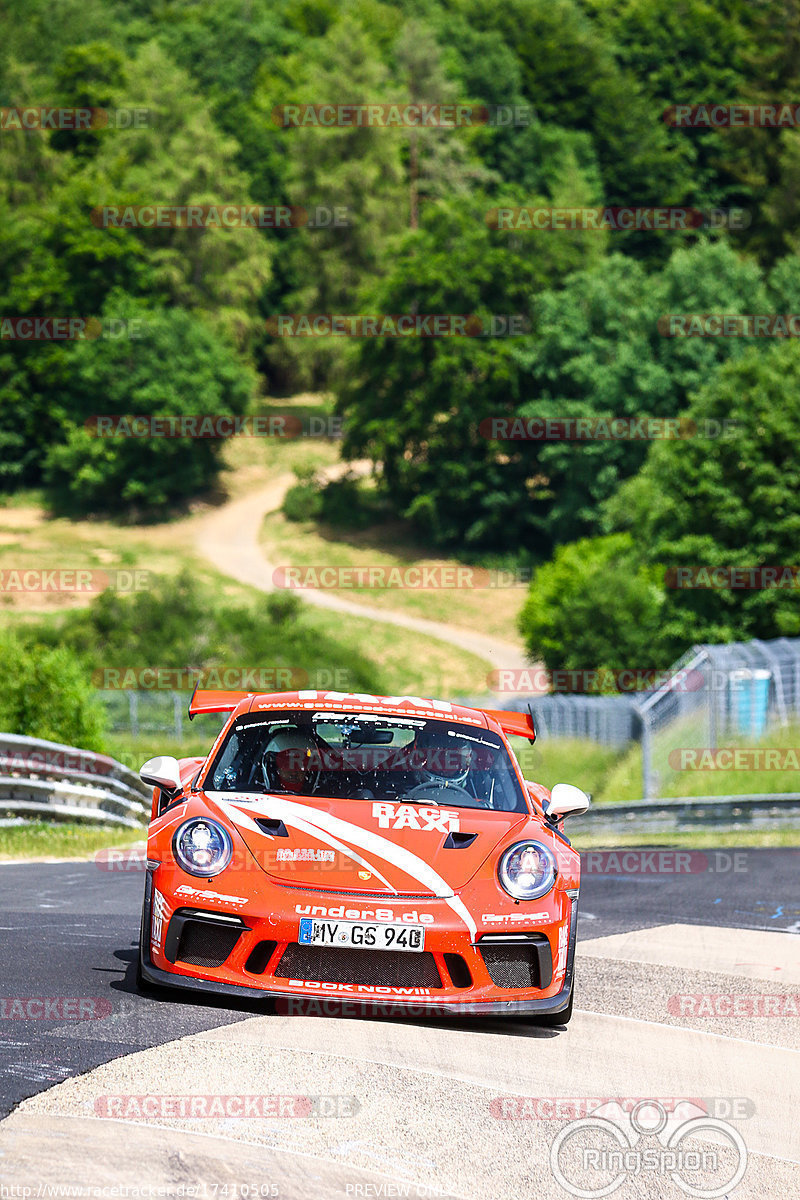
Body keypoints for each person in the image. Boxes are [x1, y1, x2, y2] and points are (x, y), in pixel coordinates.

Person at [262, 729, 319, 794]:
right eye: (287, 765)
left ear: (309, 770)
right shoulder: (255, 795)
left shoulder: (326, 797)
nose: (293, 773)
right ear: (274, 768)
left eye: (299, 766)